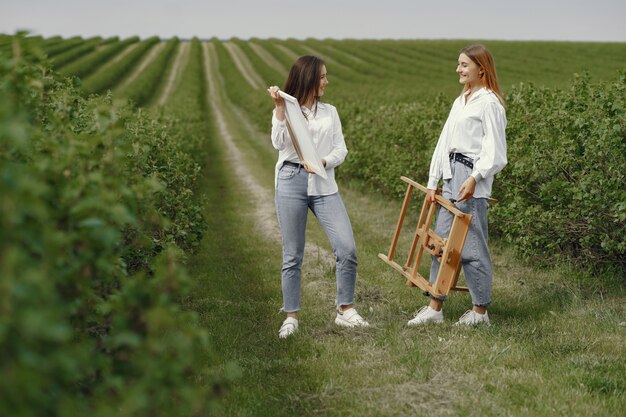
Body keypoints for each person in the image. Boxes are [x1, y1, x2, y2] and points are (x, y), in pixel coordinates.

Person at [267, 55, 369, 339]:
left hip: (323, 183)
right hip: (290, 180)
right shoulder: (286, 107)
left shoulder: (330, 112)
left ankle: (345, 310)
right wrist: (278, 111)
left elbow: (341, 150)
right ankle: (291, 316)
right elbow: (277, 143)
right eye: (322, 77)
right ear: (309, 79)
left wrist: (323, 163)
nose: (326, 81)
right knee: (292, 253)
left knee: (346, 247)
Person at [408, 44, 507, 326]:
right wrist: (432, 181)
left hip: (470, 175)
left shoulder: (489, 102)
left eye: (464, 65)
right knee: (440, 243)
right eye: (458, 64)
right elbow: (444, 142)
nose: (458, 69)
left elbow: (496, 151)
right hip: (451, 173)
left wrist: (475, 179)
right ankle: (435, 308)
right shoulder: (461, 100)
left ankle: (480, 313)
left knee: (472, 245)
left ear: (481, 68)